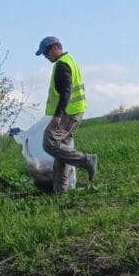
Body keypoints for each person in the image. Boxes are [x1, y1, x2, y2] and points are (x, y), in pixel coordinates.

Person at [35, 36, 98, 193]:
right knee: (62, 151)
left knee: (49, 142)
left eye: (45, 53)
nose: (45, 56)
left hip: (68, 113)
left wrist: (58, 115)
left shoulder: (62, 64)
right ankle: (61, 191)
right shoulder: (68, 61)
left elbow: (66, 92)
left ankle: (87, 160)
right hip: (75, 111)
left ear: (54, 48)